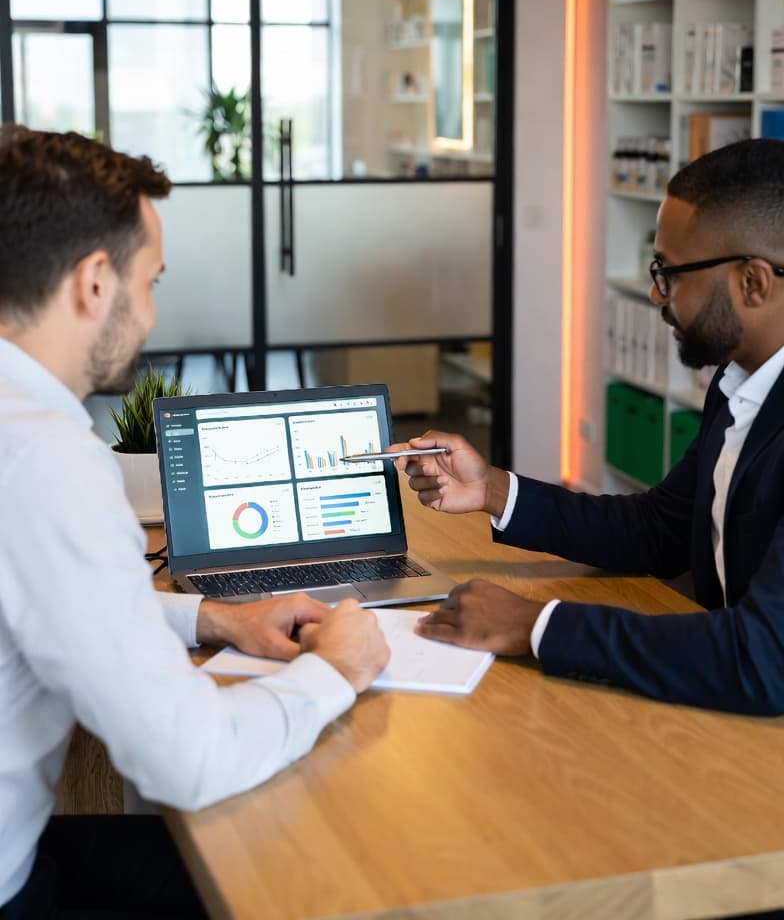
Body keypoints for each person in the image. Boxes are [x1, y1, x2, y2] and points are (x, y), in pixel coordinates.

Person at [0, 127, 390, 919]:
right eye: (152, 282)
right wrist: (336, 671)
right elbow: (188, 760)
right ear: (95, 283)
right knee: (300, 877)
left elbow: (45, 598)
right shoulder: (43, 461)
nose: (149, 313)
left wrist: (213, 617)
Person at [394, 137, 784, 717]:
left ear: (753, 283)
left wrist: (534, 624)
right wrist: (493, 489)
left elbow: (762, 658)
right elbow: (661, 528)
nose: (656, 293)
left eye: (669, 272)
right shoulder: (739, 383)